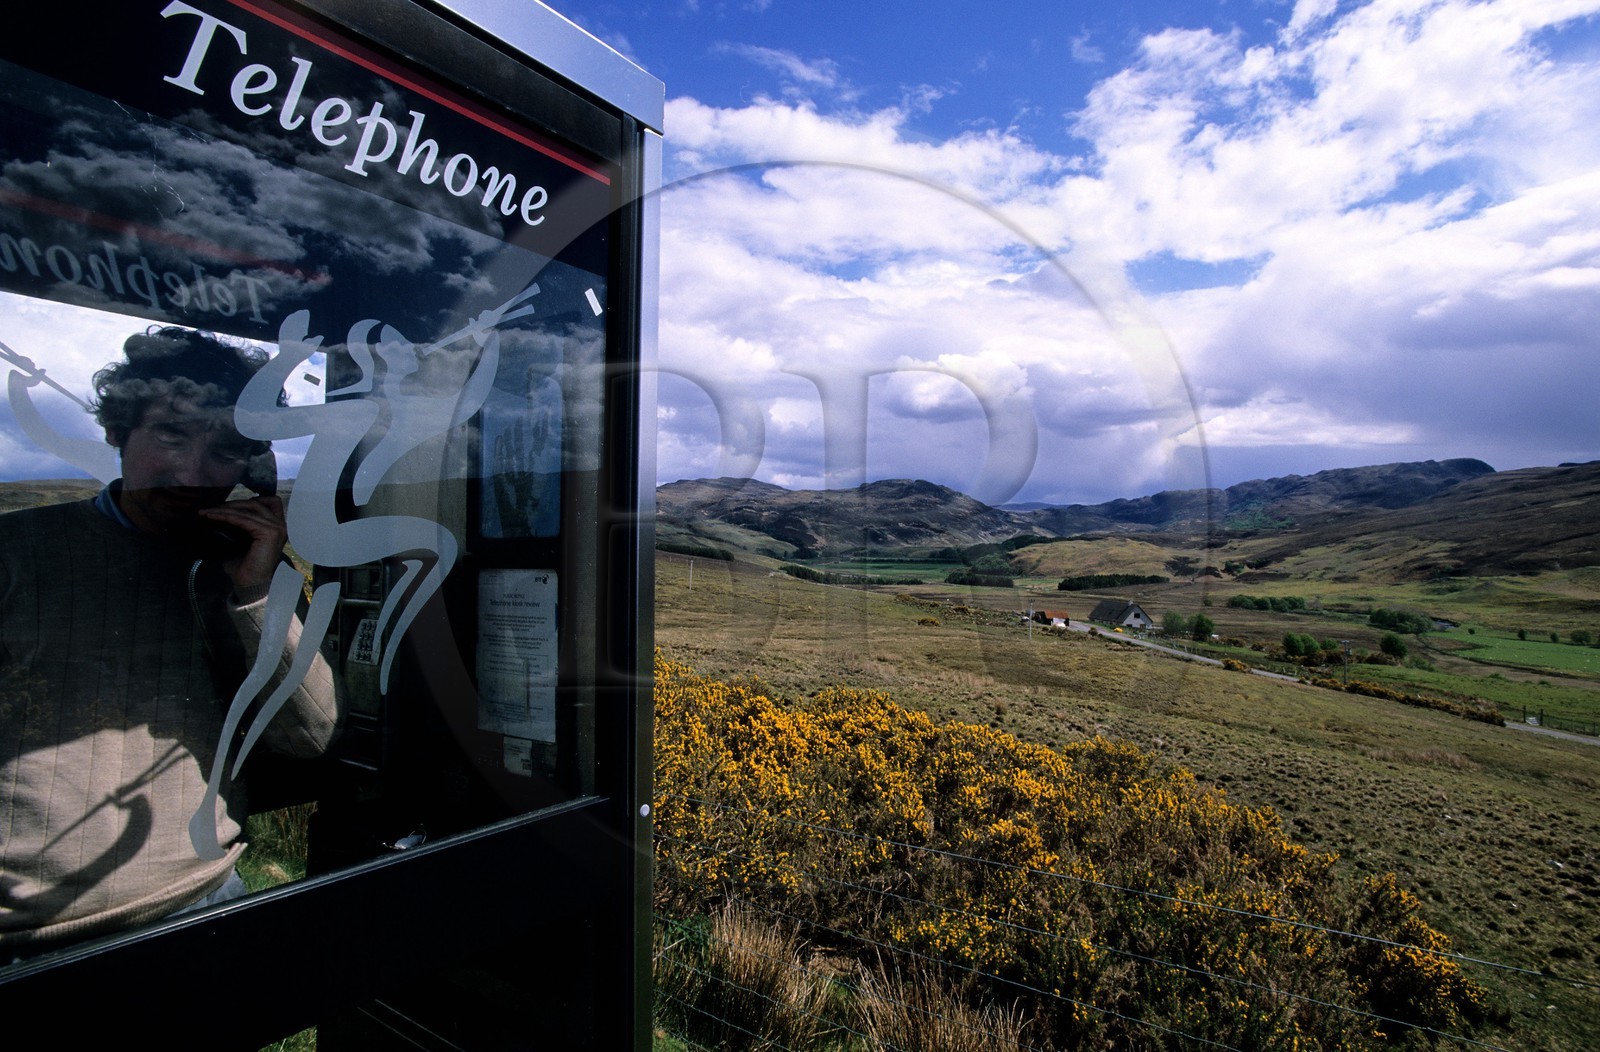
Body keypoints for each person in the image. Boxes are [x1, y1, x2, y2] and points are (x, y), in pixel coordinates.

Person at [0, 326, 338, 957]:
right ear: (116, 431)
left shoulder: (248, 570)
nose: (191, 472)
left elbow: (310, 735)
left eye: (226, 450)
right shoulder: (17, 557)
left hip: (202, 898)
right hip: (29, 938)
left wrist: (257, 595)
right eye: (171, 435)